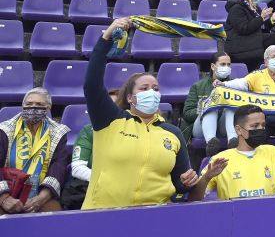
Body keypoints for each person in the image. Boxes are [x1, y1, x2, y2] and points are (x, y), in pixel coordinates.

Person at [82, 18, 201, 208]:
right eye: (144, 88)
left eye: (156, 88)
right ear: (130, 97)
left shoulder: (173, 133)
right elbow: (91, 85)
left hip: (154, 217)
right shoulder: (109, 120)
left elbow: (179, 184)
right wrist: (106, 38)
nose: (151, 92)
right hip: (103, 213)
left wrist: (187, 181)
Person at [190, 105, 275, 200]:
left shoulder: (272, 151)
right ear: (238, 130)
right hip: (234, 218)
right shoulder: (220, 159)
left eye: (263, 125)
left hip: (267, 216)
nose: (260, 129)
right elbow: (195, 199)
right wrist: (206, 178)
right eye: (255, 126)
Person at [0, 88, 68, 213]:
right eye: (29, 104)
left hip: (40, 194)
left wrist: (42, 197)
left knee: (54, 215)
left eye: (39, 104)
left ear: (48, 108)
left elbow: (59, 166)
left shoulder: (58, 132)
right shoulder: (4, 130)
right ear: (22, 106)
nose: (33, 107)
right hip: (7, 191)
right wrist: (4, 198)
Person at [63, 88, 119, 210]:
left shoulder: (135, 132)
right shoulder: (88, 131)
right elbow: (77, 169)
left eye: (114, 105)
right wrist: (108, 181)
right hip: (90, 186)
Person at [181, 53, 236, 157]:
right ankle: (211, 143)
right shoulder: (198, 86)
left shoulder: (235, 85)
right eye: (223, 64)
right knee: (210, 107)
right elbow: (187, 113)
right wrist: (203, 108)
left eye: (228, 65)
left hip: (225, 127)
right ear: (213, 66)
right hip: (201, 128)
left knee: (231, 108)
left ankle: (233, 140)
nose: (226, 67)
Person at [223, 0, 275, 66]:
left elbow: (260, 28)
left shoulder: (255, 7)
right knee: (274, 38)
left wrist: (272, 20)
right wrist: (261, 18)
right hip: (240, 44)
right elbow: (244, 29)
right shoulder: (236, 9)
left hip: (252, 39)